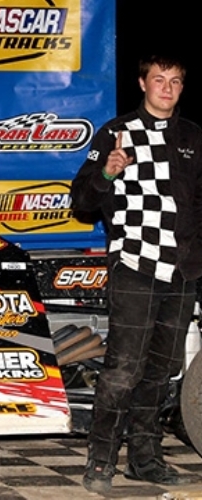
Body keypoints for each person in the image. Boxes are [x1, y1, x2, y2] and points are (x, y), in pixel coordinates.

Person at [71, 54, 202, 494]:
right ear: (143, 83)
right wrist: (107, 173)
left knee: (162, 371)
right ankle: (100, 463)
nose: (167, 87)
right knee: (122, 370)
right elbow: (83, 200)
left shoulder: (193, 136)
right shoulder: (116, 131)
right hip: (135, 264)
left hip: (182, 270)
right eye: (159, 79)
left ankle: (145, 461)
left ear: (182, 88)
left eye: (176, 81)